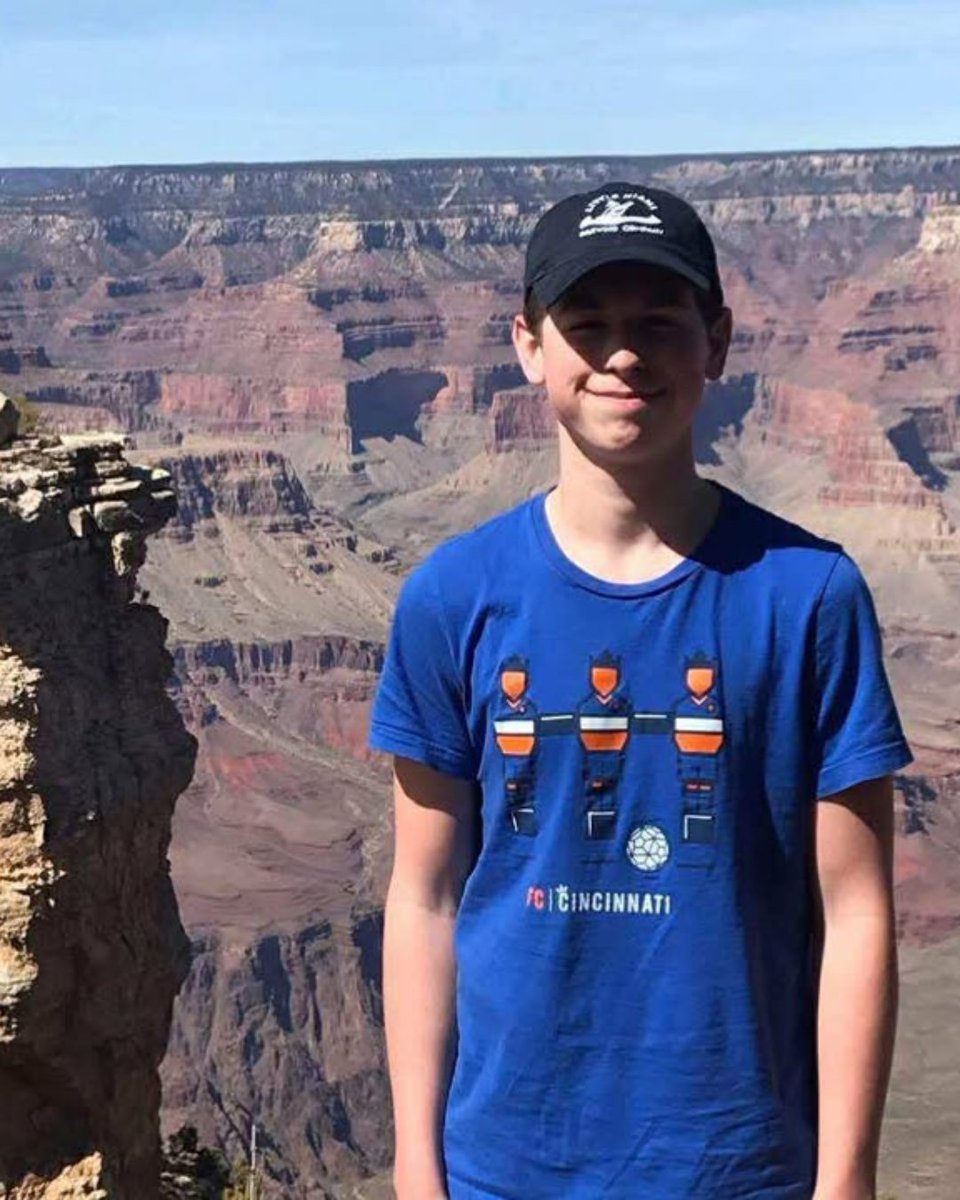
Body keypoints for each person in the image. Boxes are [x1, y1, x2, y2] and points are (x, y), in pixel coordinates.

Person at [368, 182, 912, 1200]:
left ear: (717, 342)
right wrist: (414, 1168)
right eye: (590, 323)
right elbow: (426, 898)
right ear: (529, 345)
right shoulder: (455, 596)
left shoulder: (809, 597)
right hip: (506, 1169)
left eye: (660, 322)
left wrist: (847, 1182)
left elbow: (857, 914)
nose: (625, 355)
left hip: (740, 1169)